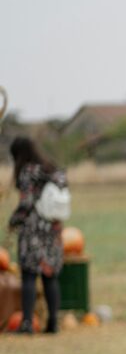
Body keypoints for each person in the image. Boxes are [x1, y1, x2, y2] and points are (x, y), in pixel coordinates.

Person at [7, 137, 66, 334]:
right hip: (52, 229)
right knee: (50, 275)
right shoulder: (52, 170)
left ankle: (26, 323)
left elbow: (26, 204)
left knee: (29, 275)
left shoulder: (28, 172)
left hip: (33, 229)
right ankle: (53, 322)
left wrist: (13, 221)